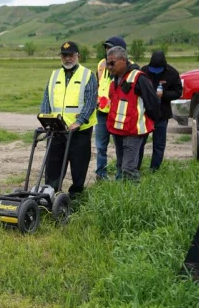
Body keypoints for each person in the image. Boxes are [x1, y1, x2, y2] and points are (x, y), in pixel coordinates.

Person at [40, 41, 98, 197]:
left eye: (71, 55)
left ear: (78, 56)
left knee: (79, 166)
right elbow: (47, 99)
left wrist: (79, 122)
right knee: (53, 166)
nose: (67, 59)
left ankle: (76, 197)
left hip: (79, 131)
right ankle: (50, 195)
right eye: (64, 56)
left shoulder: (88, 75)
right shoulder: (54, 75)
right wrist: (46, 120)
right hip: (57, 130)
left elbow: (90, 102)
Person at [106, 46, 159, 181]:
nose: (109, 66)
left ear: (123, 60)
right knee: (120, 165)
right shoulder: (114, 79)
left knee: (129, 168)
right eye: (108, 63)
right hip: (118, 130)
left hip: (133, 131)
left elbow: (152, 102)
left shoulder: (139, 77)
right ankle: (123, 197)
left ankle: (134, 198)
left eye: (112, 63)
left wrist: (150, 122)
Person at [137, 50, 183, 171]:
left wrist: (164, 95)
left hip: (162, 114)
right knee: (140, 143)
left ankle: (154, 169)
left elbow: (178, 92)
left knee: (158, 144)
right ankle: (135, 167)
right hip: (145, 114)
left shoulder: (172, 73)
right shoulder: (144, 71)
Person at [95, 36, 128, 180]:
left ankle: (120, 176)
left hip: (118, 113)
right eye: (106, 48)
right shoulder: (101, 64)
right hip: (102, 112)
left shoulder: (128, 66)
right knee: (101, 147)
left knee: (120, 147)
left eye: (111, 48)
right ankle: (101, 175)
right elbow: (98, 83)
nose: (107, 51)